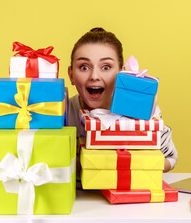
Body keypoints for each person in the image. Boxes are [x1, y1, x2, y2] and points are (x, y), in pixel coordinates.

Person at [68, 27, 177, 172]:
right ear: (71, 75)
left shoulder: (143, 109)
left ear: (122, 73)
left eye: (106, 67)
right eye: (84, 67)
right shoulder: (62, 114)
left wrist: (131, 163)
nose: (94, 76)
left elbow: (170, 157)